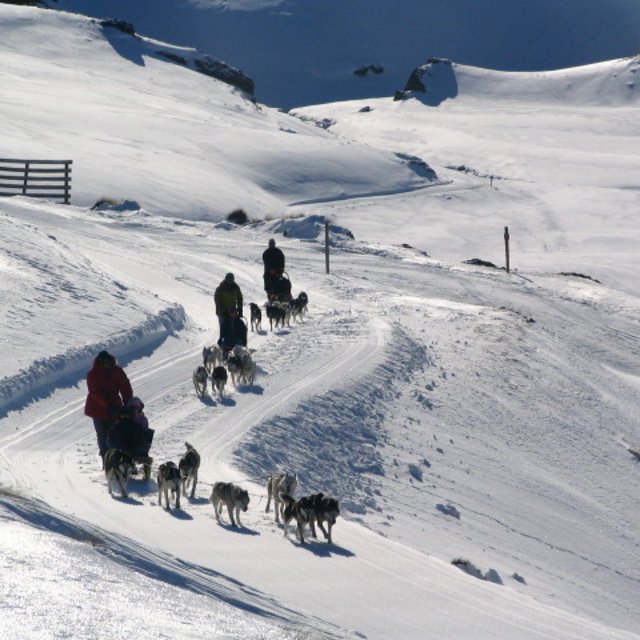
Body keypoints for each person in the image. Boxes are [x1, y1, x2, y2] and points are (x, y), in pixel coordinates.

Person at [84, 350, 133, 465]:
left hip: (115, 408)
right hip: (98, 409)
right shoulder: (93, 374)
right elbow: (95, 393)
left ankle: (116, 458)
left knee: (115, 434)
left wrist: (128, 403)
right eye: (103, 363)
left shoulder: (117, 371)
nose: (106, 365)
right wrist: (108, 405)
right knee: (102, 435)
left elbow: (125, 387)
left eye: (107, 362)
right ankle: (105, 460)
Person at [214, 273, 243, 337]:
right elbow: (217, 300)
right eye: (228, 280)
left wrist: (240, 310)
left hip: (232, 312)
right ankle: (223, 343)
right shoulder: (221, 288)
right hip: (222, 312)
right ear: (225, 279)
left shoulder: (236, 288)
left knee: (233, 328)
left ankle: (231, 343)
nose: (229, 282)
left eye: (231, 280)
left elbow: (239, 298)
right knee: (224, 328)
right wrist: (222, 311)